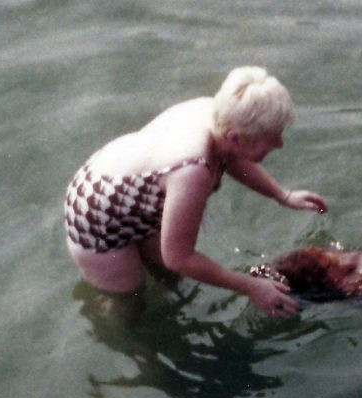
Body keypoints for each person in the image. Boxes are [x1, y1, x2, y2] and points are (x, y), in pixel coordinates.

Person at [64, 66, 327, 318]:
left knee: (167, 276)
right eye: (272, 138)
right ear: (236, 137)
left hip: (131, 190)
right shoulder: (192, 172)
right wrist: (251, 286)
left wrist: (282, 195)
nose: (280, 144)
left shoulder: (219, 115)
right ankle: (115, 336)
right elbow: (179, 258)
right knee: (130, 301)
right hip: (96, 215)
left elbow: (233, 158)